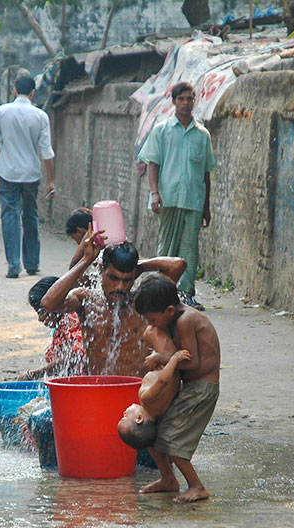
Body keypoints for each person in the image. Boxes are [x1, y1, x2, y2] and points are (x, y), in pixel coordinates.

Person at [40, 226, 186, 377]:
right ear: (101, 270)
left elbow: (177, 265)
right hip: (99, 389)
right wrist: (86, 260)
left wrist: (138, 266)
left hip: (136, 390)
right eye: (113, 278)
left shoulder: (143, 303)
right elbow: (48, 303)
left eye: (127, 280)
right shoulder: (86, 300)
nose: (120, 287)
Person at [132, 273, 221, 503]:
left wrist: (161, 357)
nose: (151, 325)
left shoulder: (185, 320)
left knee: (173, 439)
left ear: (169, 311)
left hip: (202, 388)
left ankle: (197, 486)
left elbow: (193, 362)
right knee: (152, 433)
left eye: (152, 320)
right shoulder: (174, 318)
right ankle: (168, 479)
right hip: (191, 386)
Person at [138, 81, 216, 311]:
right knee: (167, 248)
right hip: (168, 198)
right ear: (173, 102)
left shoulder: (202, 135)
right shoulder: (161, 131)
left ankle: (187, 294)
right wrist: (154, 193)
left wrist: (207, 207)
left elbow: (206, 173)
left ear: (194, 101)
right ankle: (162, 293)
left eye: (189, 99)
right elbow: (153, 163)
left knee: (190, 248)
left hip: (193, 200)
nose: (185, 103)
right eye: (180, 99)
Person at [0, 75, 56, 278]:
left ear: (15, 91)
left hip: (7, 173)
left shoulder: (1, 112)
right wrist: (51, 180)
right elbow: (47, 151)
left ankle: (13, 265)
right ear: (33, 93)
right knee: (30, 216)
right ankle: (32, 263)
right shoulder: (41, 116)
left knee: (9, 216)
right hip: (31, 175)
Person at [19, 276, 87, 380]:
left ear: (54, 304)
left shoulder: (71, 319)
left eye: (41, 312)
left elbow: (74, 357)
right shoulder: (63, 324)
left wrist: (35, 374)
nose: (40, 318)